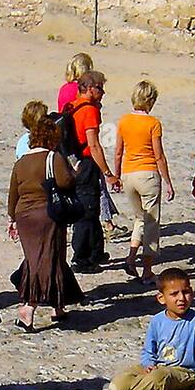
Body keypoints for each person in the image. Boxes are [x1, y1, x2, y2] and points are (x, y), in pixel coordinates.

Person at [7, 114, 85, 331]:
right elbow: (65, 181)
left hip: (24, 216)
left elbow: (13, 193)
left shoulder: (21, 162)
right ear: (52, 137)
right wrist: (75, 173)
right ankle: (28, 308)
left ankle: (58, 306)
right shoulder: (53, 158)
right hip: (48, 214)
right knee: (46, 258)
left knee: (46, 257)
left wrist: (12, 219)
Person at [103, 269, 195, 390]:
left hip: (184, 372)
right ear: (162, 298)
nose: (181, 298)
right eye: (174, 294)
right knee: (122, 379)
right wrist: (148, 364)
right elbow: (148, 350)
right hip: (159, 366)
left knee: (157, 378)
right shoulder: (157, 321)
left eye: (186, 292)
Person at [114, 80, 173, 284]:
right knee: (152, 223)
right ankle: (147, 269)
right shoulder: (153, 123)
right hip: (147, 174)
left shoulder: (123, 121)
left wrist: (116, 174)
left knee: (139, 218)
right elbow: (159, 156)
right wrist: (168, 181)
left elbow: (118, 151)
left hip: (128, 174)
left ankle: (131, 258)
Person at [69, 71, 117, 273]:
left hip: (75, 163)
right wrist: (108, 172)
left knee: (92, 208)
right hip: (87, 164)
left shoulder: (72, 105)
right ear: (90, 88)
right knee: (87, 212)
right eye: (100, 88)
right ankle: (82, 258)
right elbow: (94, 145)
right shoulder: (89, 111)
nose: (103, 92)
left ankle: (96, 251)